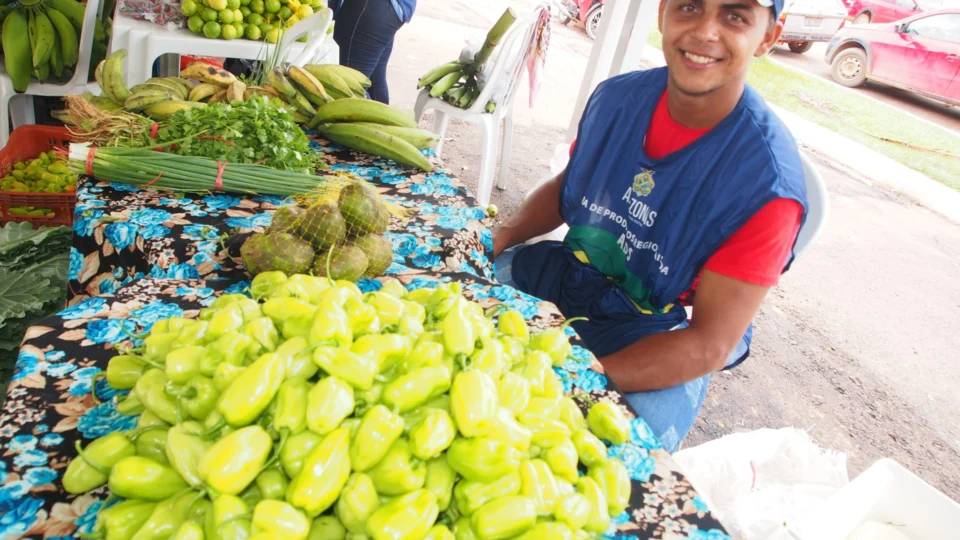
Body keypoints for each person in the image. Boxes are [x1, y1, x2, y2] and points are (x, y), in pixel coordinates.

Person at [492, 0, 808, 451]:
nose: (705, 32)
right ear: (662, 14)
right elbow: (571, 188)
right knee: (439, 303)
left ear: (769, 38)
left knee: (615, 466)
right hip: (568, 279)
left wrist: (576, 376)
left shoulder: (767, 187)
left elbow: (709, 344)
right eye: (689, 7)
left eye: (735, 16)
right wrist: (497, 236)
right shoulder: (616, 100)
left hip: (661, 335)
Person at [331, 0, 417, 104]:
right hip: (388, 9)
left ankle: (383, 119)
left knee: (351, 87)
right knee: (374, 81)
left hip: (373, 8)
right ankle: (386, 119)